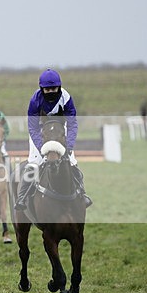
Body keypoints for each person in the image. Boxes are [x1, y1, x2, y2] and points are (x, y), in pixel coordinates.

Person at [14, 68, 92, 210]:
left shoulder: (66, 98)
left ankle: (82, 193)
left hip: (61, 131)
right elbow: (33, 127)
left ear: (59, 87)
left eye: (53, 89)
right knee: (34, 163)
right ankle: (22, 197)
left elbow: (72, 124)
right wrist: (42, 147)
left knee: (72, 162)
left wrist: (69, 146)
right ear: (42, 89)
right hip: (40, 132)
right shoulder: (35, 100)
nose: (50, 92)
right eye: (47, 89)